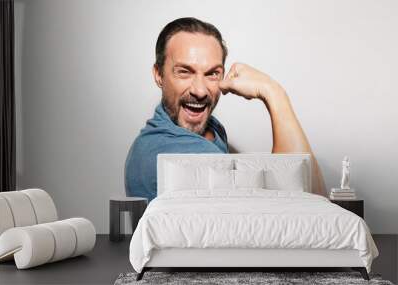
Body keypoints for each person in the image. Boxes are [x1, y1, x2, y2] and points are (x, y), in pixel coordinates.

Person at [125, 17, 326, 202]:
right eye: (185, 72)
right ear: (159, 74)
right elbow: (306, 206)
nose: (200, 90)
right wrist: (274, 93)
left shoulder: (211, 128)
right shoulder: (177, 152)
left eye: (212, 74)